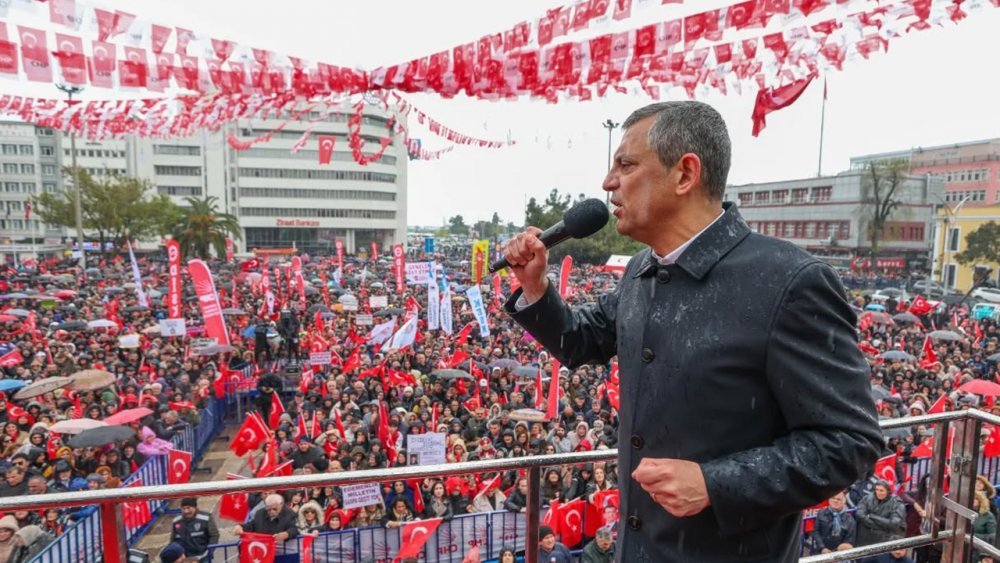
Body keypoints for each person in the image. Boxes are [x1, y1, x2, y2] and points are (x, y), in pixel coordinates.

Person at [501, 101, 882, 562]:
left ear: (685, 174)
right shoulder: (641, 270)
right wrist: (536, 287)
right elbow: (581, 340)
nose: (608, 183)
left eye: (626, 165)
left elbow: (849, 441)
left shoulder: (788, 282)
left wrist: (716, 484)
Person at [856, 481, 906, 547]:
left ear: (888, 491)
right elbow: (859, 514)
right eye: (876, 490)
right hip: (866, 538)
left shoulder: (896, 502)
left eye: (881, 490)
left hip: (886, 539)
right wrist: (878, 526)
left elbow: (894, 524)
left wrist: (872, 516)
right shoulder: (867, 498)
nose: (878, 493)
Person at [233, 494, 297, 543]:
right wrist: (240, 527)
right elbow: (251, 525)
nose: (272, 512)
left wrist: (286, 534)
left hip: (281, 549)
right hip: (264, 547)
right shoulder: (260, 513)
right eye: (268, 509)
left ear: (281, 505)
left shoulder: (290, 514)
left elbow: (294, 528)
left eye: (275, 509)